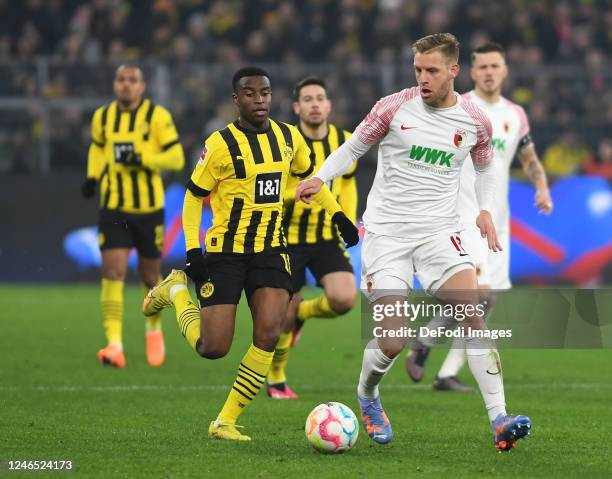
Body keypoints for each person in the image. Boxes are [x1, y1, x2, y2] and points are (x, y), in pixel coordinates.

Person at [296, 33, 531, 452]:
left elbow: (486, 168)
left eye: (432, 71)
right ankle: (368, 395)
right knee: (392, 340)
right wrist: (320, 176)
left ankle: (500, 420)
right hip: (387, 236)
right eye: (418, 69)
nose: (422, 78)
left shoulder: (474, 120)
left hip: (440, 234)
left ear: (454, 71)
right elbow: (352, 149)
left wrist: (484, 211)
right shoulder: (393, 107)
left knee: (472, 312)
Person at [142, 67, 359, 441]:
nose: (259, 100)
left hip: (271, 250)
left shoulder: (289, 139)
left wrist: (338, 215)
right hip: (226, 253)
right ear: (236, 100)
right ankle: (176, 291)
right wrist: (193, 249)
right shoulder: (220, 145)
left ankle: (224, 421)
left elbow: (312, 182)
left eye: (265, 93)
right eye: (250, 94)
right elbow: (194, 197)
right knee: (213, 348)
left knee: (270, 333)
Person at [406, 42, 553, 392]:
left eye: (494, 66)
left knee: (487, 297)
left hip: (496, 217)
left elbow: (529, 158)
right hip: (461, 215)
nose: (489, 72)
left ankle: (434, 354)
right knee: (477, 293)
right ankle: (441, 364)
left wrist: (542, 186)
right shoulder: (460, 107)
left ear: (504, 71)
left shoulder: (515, 115)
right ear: (472, 72)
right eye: (482, 66)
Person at [83, 64, 185, 368]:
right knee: (112, 273)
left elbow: (176, 157)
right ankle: (114, 344)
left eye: (132, 81)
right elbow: (98, 149)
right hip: (113, 206)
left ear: (142, 87)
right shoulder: (103, 117)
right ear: (115, 85)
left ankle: (153, 329)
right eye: (121, 80)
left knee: (149, 277)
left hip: (148, 210)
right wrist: (92, 176)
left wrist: (143, 157)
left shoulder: (157, 117)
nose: (126, 85)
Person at [266, 76, 359, 400]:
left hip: (324, 238)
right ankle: (276, 379)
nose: (315, 104)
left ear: (329, 105)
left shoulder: (345, 141)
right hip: (286, 238)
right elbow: (274, 187)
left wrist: (346, 219)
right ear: (296, 107)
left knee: (345, 299)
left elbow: (346, 183)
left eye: (320, 98)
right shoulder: (285, 143)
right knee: (281, 315)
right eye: (308, 99)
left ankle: (304, 312)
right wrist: (295, 195)